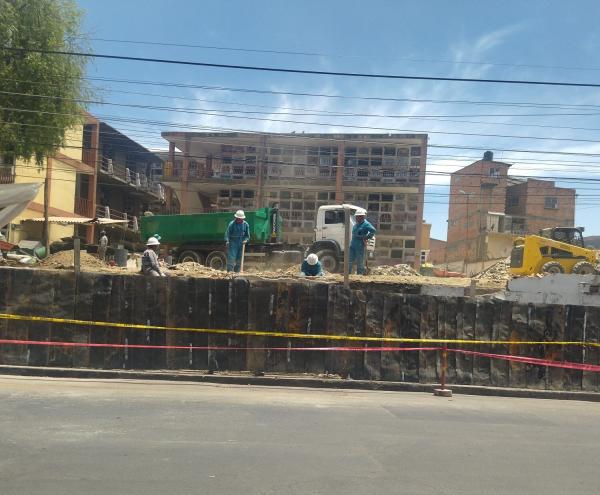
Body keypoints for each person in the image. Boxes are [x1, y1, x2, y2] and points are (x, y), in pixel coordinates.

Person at [349, 208, 376, 275]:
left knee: (360, 261)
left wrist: (367, 237)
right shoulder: (356, 224)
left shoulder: (366, 224)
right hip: (352, 244)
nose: (356, 218)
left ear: (362, 217)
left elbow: (373, 230)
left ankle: (359, 274)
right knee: (349, 260)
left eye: (357, 217)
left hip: (360, 245)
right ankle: (347, 274)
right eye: (356, 217)